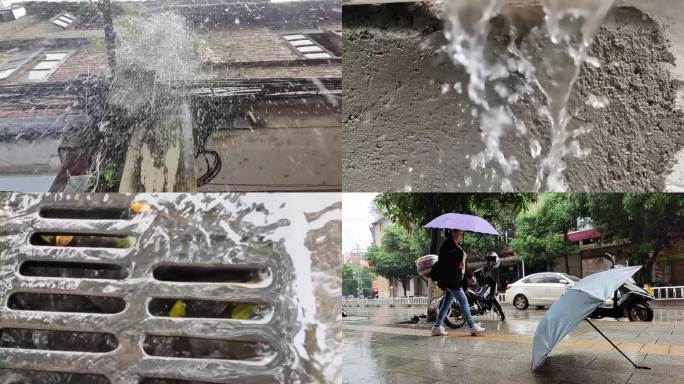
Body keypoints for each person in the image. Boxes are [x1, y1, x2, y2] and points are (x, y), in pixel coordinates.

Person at [431, 229, 486, 336]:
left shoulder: (456, 246)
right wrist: (457, 263)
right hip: (451, 280)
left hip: (454, 280)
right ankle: (472, 326)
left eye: (462, 233)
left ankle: (437, 327)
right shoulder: (447, 245)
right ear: (453, 233)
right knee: (464, 302)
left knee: (446, 304)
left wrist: (470, 275)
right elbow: (445, 263)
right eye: (460, 233)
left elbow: (463, 266)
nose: (462, 235)